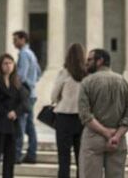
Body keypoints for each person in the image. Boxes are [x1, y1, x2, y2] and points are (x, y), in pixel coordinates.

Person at [78, 49, 128, 178]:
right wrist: (116, 135)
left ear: (100, 61)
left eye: (89, 60)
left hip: (93, 137)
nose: (86, 63)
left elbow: (85, 115)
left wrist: (105, 132)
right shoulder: (123, 82)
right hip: (117, 139)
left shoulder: (87, 82)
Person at [51, 43, 87, 178]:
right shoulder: (87, 75)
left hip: (64, 118)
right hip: (82, 119)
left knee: (64, 159)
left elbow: (53, 96)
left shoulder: (64, 73)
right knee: (81, 160)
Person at [12, 30, 42, 164]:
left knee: (21, 125)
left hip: (24, 95)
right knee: (29, 126)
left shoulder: (24, 54)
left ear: (23, 39)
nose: (14, 42)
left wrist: (14, 89)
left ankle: (16, 155)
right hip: (31, 93)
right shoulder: (32, 54)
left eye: (16, 39)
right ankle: (32, 154)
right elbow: (39, 72)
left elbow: (21, 76)